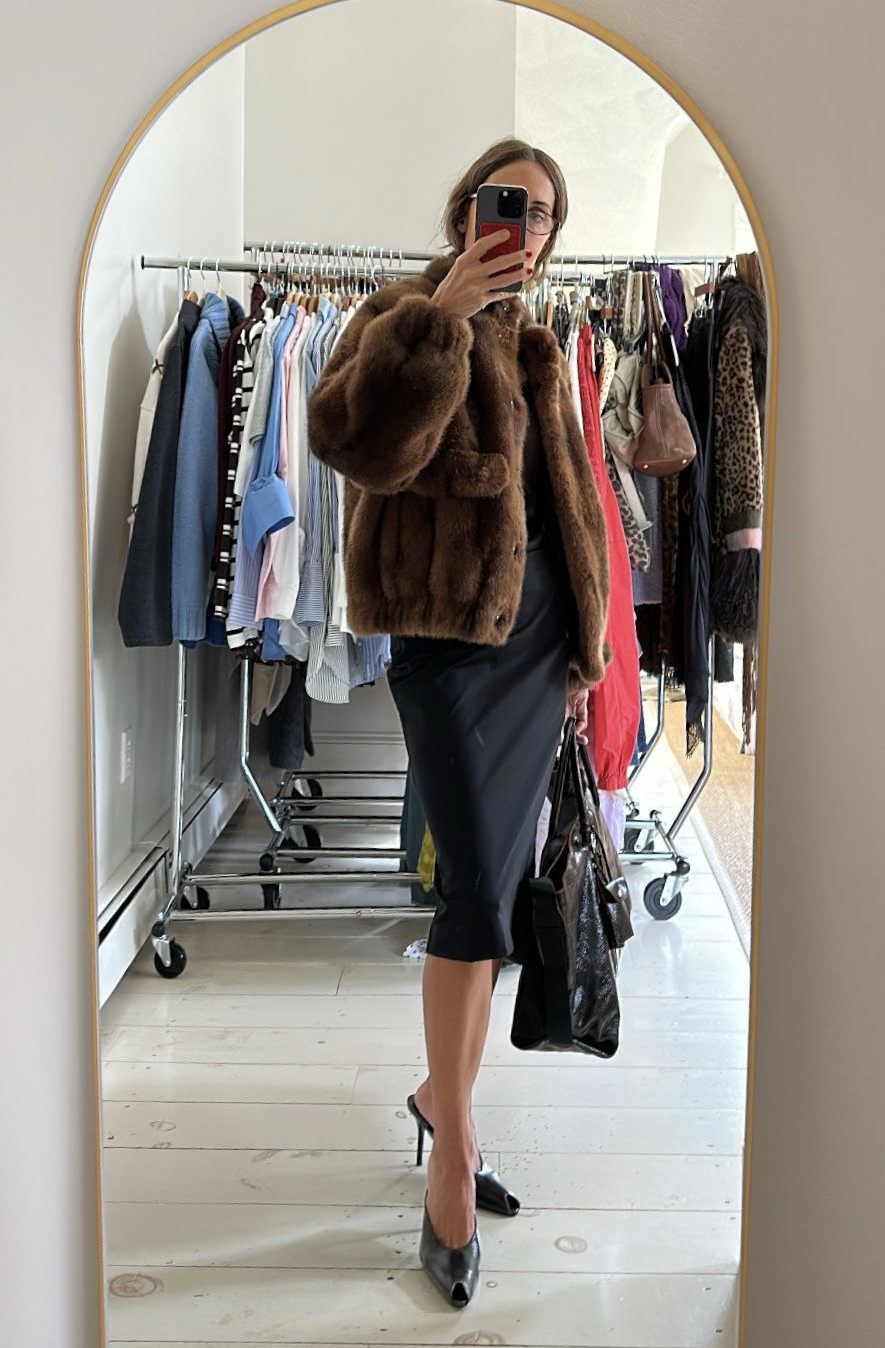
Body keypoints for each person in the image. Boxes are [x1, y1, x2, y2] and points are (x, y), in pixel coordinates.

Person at [308, 138, 610, 1307]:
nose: (526, 228)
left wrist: (585, 647)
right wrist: (440, 317)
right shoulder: (397, 314)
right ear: (465, 209)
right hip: (443, 647)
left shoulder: (540, 345)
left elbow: (568, 505)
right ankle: (451, 1153)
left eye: (544, 214)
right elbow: (356, 448)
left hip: (536, 649)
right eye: (508, 204)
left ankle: (448, 1104)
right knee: (475, 895)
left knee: (492, 895)